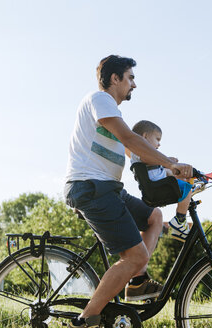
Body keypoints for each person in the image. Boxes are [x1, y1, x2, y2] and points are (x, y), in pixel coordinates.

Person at [64, 55, 193, 328]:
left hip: (108, 189)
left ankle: (136, 282)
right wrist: (170, 163)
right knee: (134, 256)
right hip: (92, 188)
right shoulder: (101, 100)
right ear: (115, 79)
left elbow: (136, 152)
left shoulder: (110, 113)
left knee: (155, 217)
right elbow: (130, 139)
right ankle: (86, 320)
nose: (134, 84)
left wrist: (170, 166)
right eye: (130, 78)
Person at [130, 120, 192, 241]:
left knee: (175, 175)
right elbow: (147, 158)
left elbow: (156, 164)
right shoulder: (140, 151)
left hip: (159, 179)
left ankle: (190, 187)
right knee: (186, 188)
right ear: (145, 136)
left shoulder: (143, 153)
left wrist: (170, 165)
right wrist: (167, 161)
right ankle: (179, 220)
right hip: (157, 186)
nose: (159, 144)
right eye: (157, 139)